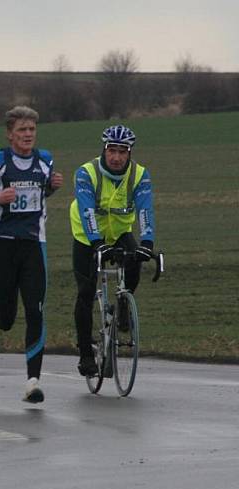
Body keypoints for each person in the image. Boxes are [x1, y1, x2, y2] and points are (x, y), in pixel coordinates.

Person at [0, 106, 63, 404]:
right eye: (22, 130)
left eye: (32, 129)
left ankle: (33, 381)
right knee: (7, 318)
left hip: (34, 244)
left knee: (36, 311)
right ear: (10, 134)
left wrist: (52, 188)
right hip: (3, 245)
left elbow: (38, 194)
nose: (28, 135)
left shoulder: (45, 160)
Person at [70, 125, 155, 377]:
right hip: (86, 237)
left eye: (122, 152)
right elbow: (86, 211)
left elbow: (144, 211)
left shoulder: (139, 175)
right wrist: (97, 243)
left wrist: (147, 243)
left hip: (118, 232)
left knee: (135, 264)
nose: (116, 157)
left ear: (129, 153)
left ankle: (123, 304)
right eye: (112, 151)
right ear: (104, 150)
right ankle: (86, 354)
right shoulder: (87, 173)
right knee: (85, 292)